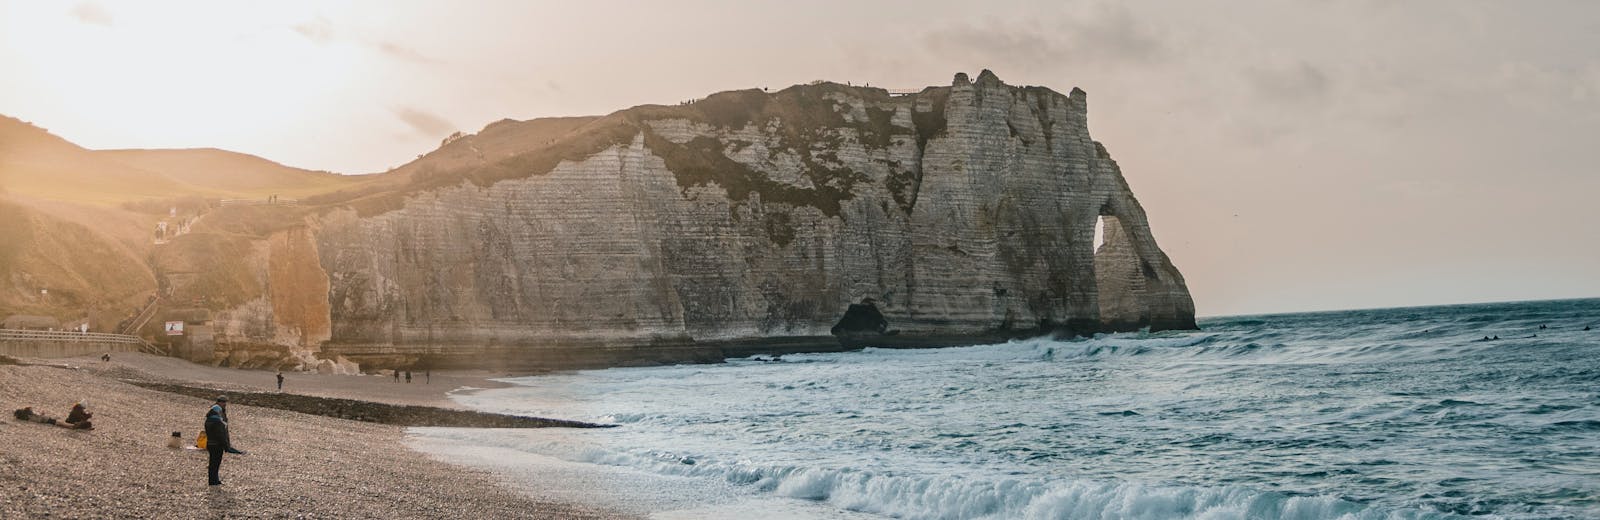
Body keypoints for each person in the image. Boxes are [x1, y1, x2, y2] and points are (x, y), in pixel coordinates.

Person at [204, 397, 244, 486]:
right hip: (217, 445)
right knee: (215, 463)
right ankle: (213, 481)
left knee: (213, 463)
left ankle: (214, 480)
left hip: (210, 444)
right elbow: (220, 435)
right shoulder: (217, 422)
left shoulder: (208, 420)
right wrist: (226, 446)